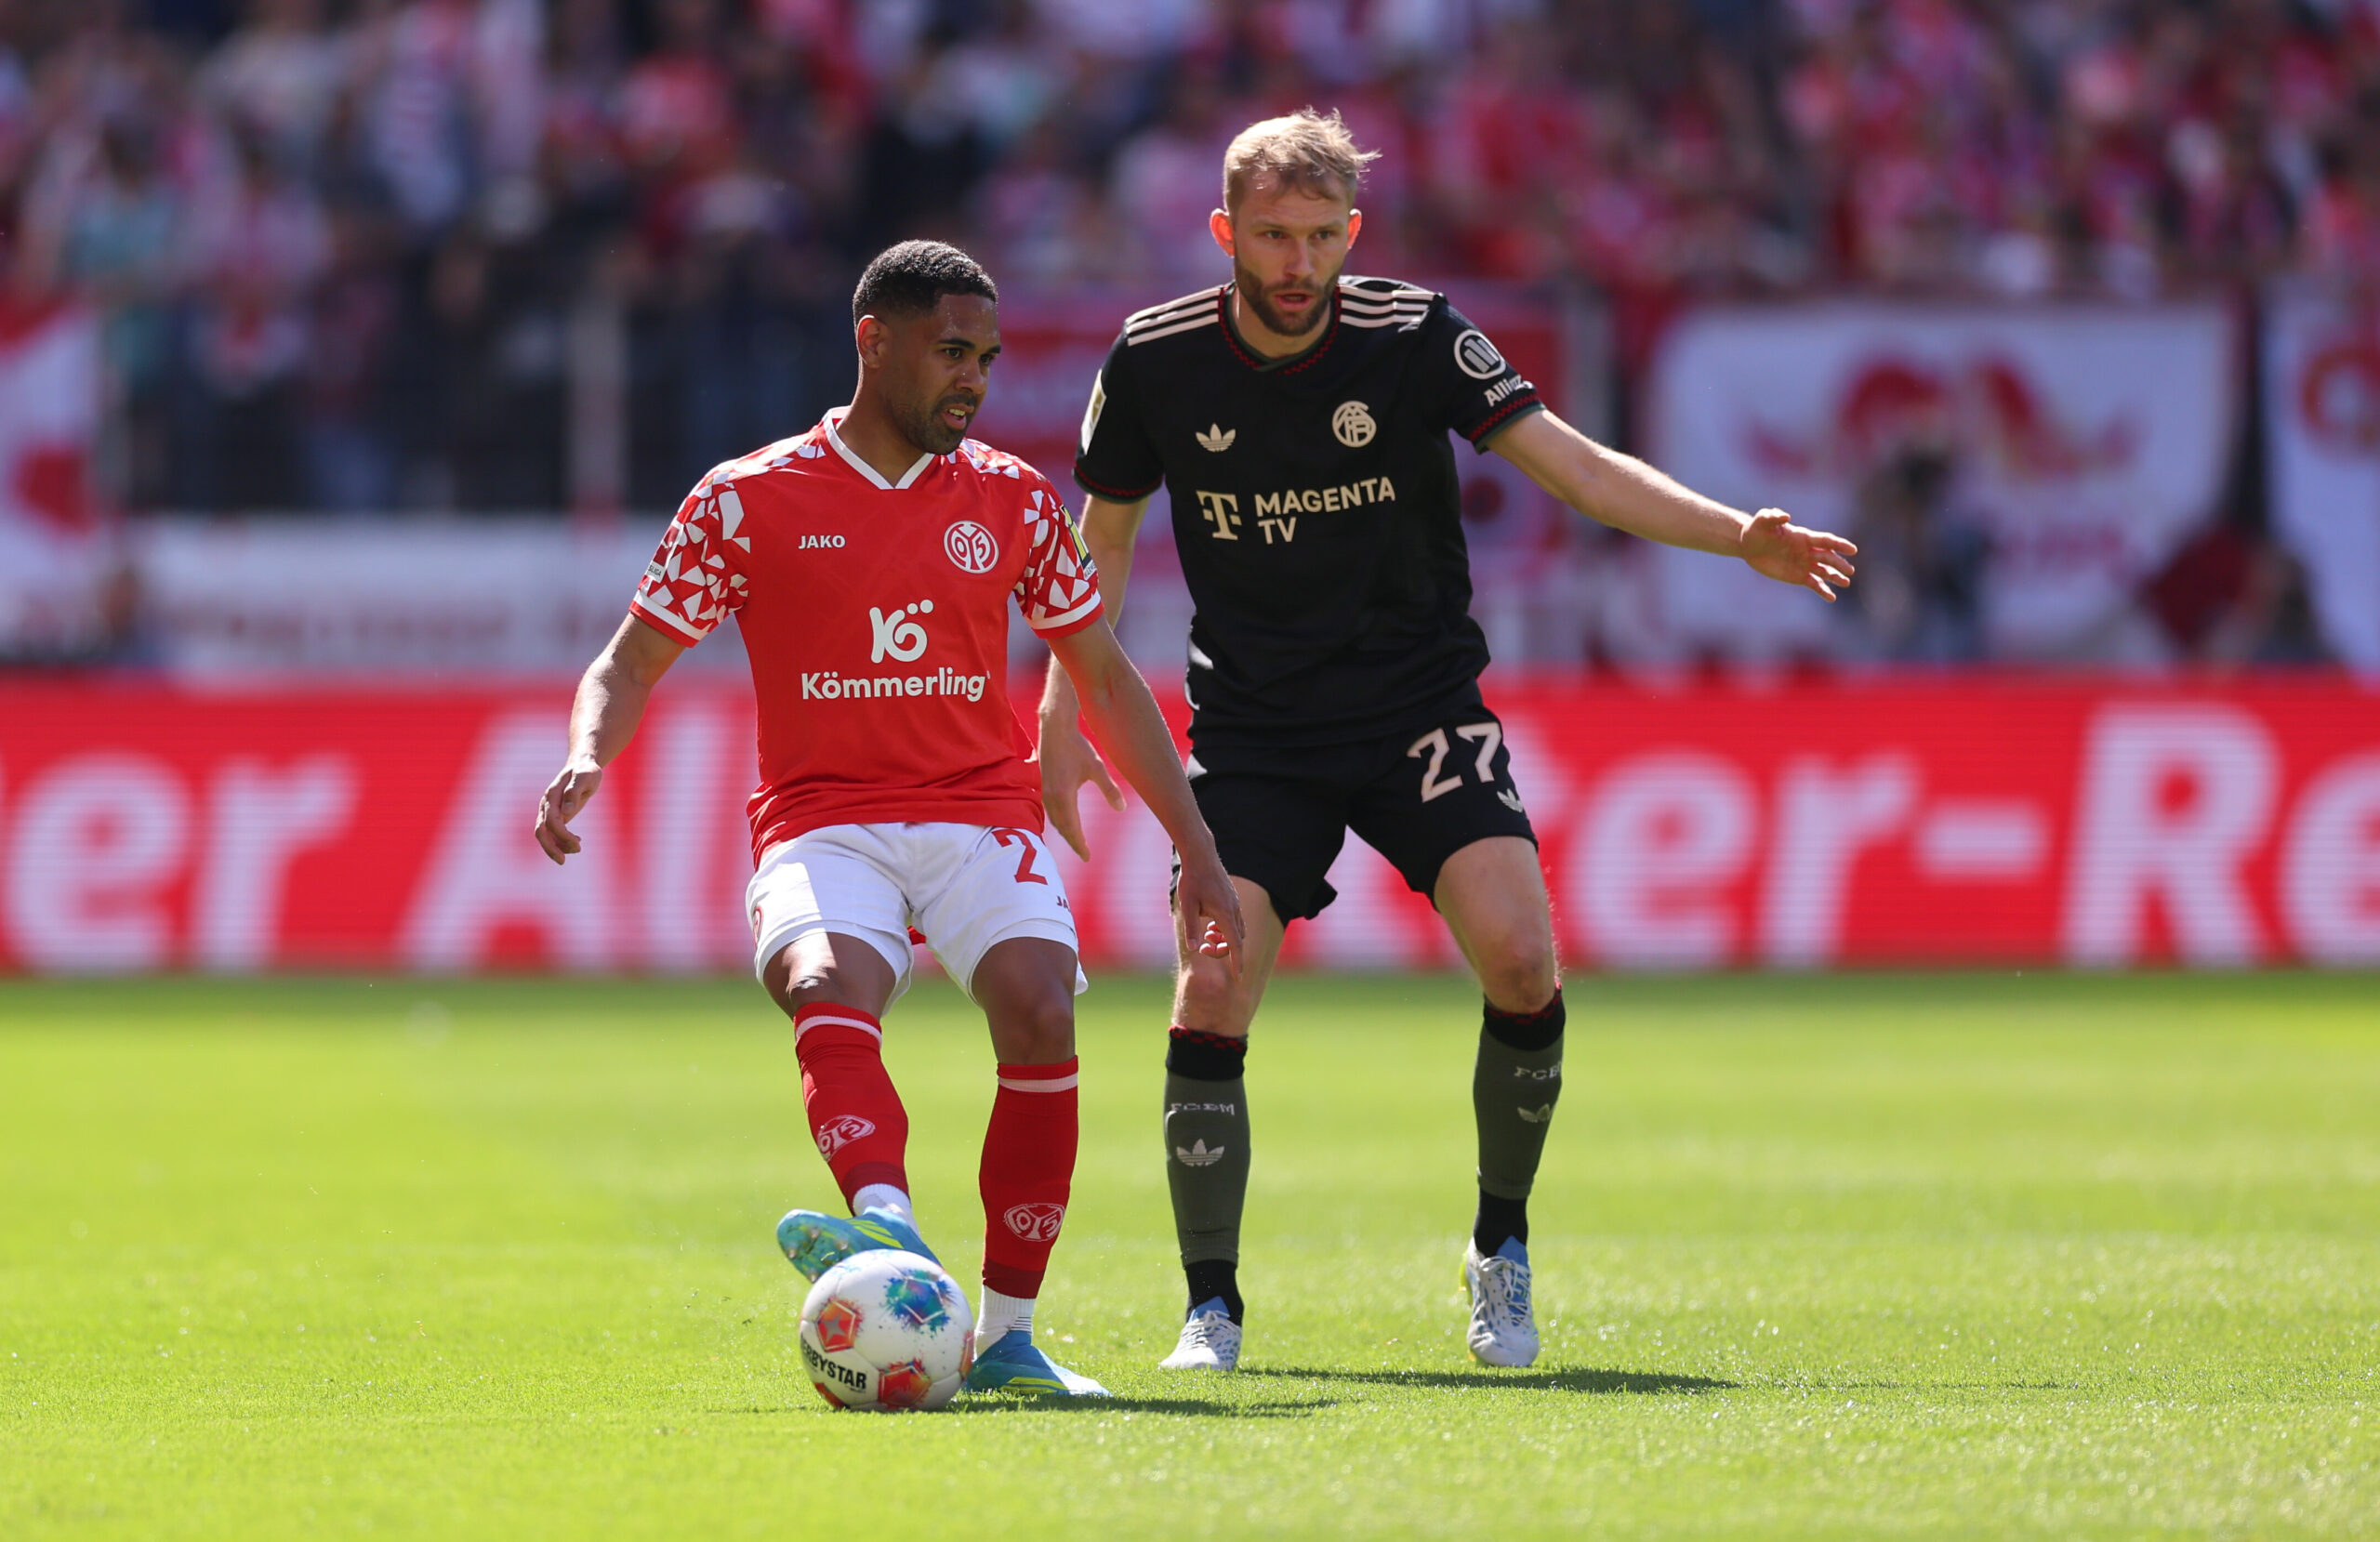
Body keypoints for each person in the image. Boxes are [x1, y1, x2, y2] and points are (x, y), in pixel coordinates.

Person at [1039, 112, 1857, 1373]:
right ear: (1225, 234)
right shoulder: (1155, 360)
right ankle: (1211, 1304)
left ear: (1351, 233)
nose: (1298, 263)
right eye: (1272, 237)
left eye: (1320, 236)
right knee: (1212, 986)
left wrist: (1733, 530)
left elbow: (1575, 469)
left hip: (1418, 706)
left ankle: (1499, 1245)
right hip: (1256, 729)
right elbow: (1095, 548)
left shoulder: (1414, 334)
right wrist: (1058, 713)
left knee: (1523, 959)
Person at [536, 240, 1244, 1399]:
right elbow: (628, 663)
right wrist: (584, 755)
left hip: (978, 815)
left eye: (987, 358)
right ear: (874, 342)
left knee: (1037, 1005)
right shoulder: (746, 498)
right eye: (950, 353)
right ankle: (888, 1232)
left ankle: (1011, 1337)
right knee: (822, 979)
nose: (973, 379)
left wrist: (1197, 845)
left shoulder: (1010, 499)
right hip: (824, 822)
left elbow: (1107, 681)